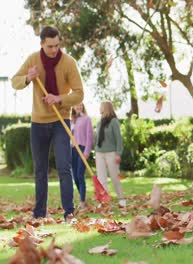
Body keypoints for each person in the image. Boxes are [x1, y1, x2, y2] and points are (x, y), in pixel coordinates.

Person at [11, 26, 84, 221]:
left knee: (63, 167)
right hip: (38, 122)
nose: (54, 50)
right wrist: (28, 77)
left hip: (61, 121)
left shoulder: (69, 62)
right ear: (42, 43)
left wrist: (58, 98)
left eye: (57, 45)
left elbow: (79, 93)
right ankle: (39, 214)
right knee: (40, 170)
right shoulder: (33, 60)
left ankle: (69, 212)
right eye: (50, 46)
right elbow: (14, 81)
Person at [95, 101, 125, 207]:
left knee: (114, 177)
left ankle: (121, 199)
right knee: (101, 178)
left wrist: (118, 153)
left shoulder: (114, 122)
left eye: (101, 106)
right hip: (99, 154)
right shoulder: (99, 123)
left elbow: (119, 139)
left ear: (106, 108)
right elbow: (97, 139)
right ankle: (104, 201)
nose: (99, 108)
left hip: (111, 153)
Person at [71, 103, 94, 209]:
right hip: (72, 150)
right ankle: (82, 198)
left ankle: (82, 201)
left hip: (82, 148)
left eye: (80, 105)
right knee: (75, 176)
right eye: (77, 105)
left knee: (80, 175)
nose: (78, 106)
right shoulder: (71, 120)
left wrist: (87, 152)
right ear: (73, 107)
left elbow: (90, 136)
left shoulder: (86, 119)